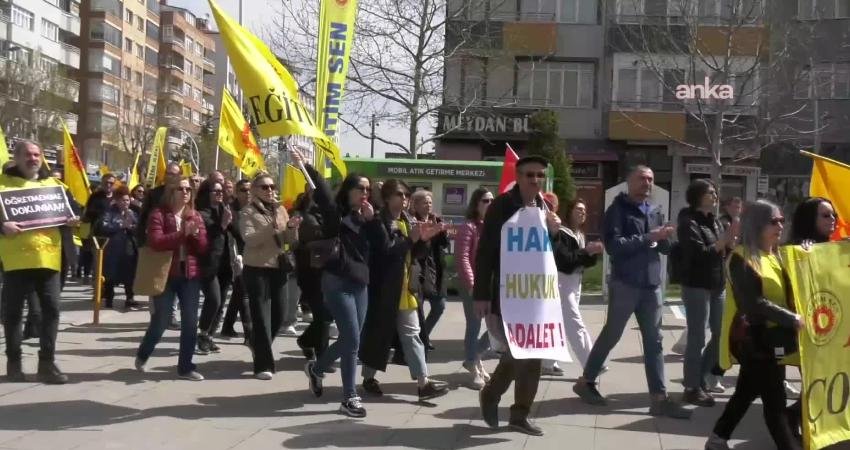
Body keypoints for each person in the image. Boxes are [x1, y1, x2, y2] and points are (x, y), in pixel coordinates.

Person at [573, 165, 691, 419]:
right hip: (625, 283)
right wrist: (650, 236)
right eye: (641, 179)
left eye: (650, 179)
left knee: (655, 342)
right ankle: (586, 382)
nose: (647, 183)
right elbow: (614, 247)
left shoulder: (655, 210)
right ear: (629, 182)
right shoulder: (617, 211)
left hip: (651, 285)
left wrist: (668, 239)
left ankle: (659, 398)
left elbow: (663, 247)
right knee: (612, 334)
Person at [474, 155, 564, 436]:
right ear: (519, 176)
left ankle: (520, 415)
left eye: (539, 175)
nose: (535, 180)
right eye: (529, 175)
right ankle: (491, 393)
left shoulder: (545, 206)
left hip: (537, 295)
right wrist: (482, 294)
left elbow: (552, 254)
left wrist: (554, 232)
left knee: (534, 354)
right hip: (507, 293)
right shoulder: (502, 205)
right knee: (517, 352)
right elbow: (486, 251)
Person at [705, 200, 803, 450]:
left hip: (774, 338)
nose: (780, 225)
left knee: (747, 391)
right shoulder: (742, 258)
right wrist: (791, 319)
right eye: (773, 221)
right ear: (757, 224)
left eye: (782, 220)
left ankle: (718, 437)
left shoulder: (776, 255)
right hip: (755, 340)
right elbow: (753, 303)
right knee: (775, 402)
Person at [300, 148, 385, 418]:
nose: (364, 194)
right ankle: (349, 397)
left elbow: (383, 245)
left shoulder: (370, 217)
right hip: (337, 283)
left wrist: (373, 220)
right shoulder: (336, 215)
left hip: (361, 285)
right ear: (348, 190)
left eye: (368, 190)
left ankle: (316, 368)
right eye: (360, 188)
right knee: (352, 339)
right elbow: (323, 193)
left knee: (352, 341)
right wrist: (307, 166)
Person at [359, 179, 449, 402]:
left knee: (412, 335)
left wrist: (424, 240)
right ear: (388, 197)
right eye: (400, 195)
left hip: (407, 289)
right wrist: (412, 239)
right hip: (384, 291)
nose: (404, 199)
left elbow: (415, 255)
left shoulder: (408, 220)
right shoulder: (378, 221)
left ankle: (423, 383)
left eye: (406, 195)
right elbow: (386, 253)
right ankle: (368, 378)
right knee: (379, 335)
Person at [1, 141, 80, 384]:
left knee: (52, 311)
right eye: (27, 154)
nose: (33, 158)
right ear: (16, 158)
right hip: (15, 260)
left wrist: (74, 219)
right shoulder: (3, 185)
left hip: (48, 259)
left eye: (37, 154)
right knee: (13, 314)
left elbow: (76, 211)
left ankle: (47, 363)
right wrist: (2, 226)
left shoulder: (55, 186)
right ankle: (14, 363)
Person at [135, 177, 208, 381]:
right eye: (180, 189)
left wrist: (195, 236)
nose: (185, 192)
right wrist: (182, 234)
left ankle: (186, 367)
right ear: (170, 192)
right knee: (161, 320)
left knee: (191, 322)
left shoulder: (195, 216)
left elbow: (202, 247)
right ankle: (143, 353)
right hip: (166, 275)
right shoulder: (158, 214)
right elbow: (156, 242)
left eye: (188, 189)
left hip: (190, 276)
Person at [676, 179, 735, 407]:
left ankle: (698, 378)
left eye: (716, 192)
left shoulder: (716, 222)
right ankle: (692, 388)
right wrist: (722, 243)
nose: (715, 196)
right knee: (697, 337)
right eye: (710, 192)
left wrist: (730, 243)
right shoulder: (688, 222)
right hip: (696, 286)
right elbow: (698, 253)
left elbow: (721, 252)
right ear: (698, 196)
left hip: (717, 285)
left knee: (721, 335)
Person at [240, 173, 300, 380]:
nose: (270, 190)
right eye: (264, 187)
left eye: (272, 186)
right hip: (256, 268)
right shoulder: (247, 212)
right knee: (261, 318)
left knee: (280, 314)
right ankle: (263, 365)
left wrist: (291, 229)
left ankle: (257, 343)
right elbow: (249, 239)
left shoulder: (281, 209)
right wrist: (270, 227)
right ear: (255, 190)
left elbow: (289, 242)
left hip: (278, 267)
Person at [541, 194, 604, 377]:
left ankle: (547, 362)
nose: (582, 213)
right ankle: (592, 364)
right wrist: (587, 252)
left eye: (584, 211)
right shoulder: (562, 232)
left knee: (557, 324)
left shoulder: (580, 235)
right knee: (575, 324)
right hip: (562, 282)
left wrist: (591, 253)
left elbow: (584, 263)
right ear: (569, 212)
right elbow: (566, 261)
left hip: (576, 282)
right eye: (578, 210)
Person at [455, 187, 494, 389]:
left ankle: (474, 357)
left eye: (492, 201)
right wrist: (471, 285)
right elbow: (462, 258)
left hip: (491, 284)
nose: (490, 204)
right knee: (474, 324)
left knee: (498, 325)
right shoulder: (468, 227)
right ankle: (473, 365)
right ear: (476, 204)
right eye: (485, 201)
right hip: (473, 285)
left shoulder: (493, 226)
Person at [137, 162, 183, 329]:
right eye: (168, 173)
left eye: (174, 174)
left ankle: (171, 315)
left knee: (175, 280)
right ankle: (156, 315)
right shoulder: (154, 194)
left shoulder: (184, 192)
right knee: (156, 282)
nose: (171, 177)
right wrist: (142, 241)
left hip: (178, 244)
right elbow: (143, 218)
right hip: (158, 243)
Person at [195, 179, 235, 355]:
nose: (220, 194)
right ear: (206, 194)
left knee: (220, 304)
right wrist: (223, 225)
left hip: (225, 263)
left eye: (221, 191)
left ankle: (209, 336)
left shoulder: (223, 209)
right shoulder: (200, 213)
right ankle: (202, 334)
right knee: (214, 299)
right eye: (215, 191)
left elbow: (236, 232)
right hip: (208, 264)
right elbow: (207, 236)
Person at [293, 188, 331, 361]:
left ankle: (307, 341)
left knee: (326, 314)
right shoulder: (303, 215)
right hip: (309, 271)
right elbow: (310, 237)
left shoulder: (327, 214)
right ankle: (322, 354)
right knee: (323, 314)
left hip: (327, 271)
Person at [410, 189, 450, 351]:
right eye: (425, 202)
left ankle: (422, 336)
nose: (428, 205)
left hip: (436, 270)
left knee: (439, 306)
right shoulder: (413, 221)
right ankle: (420, 341)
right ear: (416, 205)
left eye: (430, 202)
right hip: (419, 269)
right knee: (417, 310)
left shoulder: (436, 219)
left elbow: (444, 244)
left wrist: (443, 232)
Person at [95, 185, 140, 310]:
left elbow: (138, 228)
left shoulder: (133, 212)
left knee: (130, 273)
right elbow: (103, 227)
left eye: (127, 200)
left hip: (129, 247)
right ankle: (109, 297)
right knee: (110, 274)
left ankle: (130, 297)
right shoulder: (109, 212)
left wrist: (132, 227)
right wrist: (121, 225)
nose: (125, 203)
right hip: (113, 248)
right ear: (117, 200)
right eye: (122, 200)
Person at [220, 179, 253, 342]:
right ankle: (249, 334)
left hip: (252, 256)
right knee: (244, 294)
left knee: (239, 293)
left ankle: (227, 326)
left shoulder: (255, 209)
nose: (247, 193)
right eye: (243, 190)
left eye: (249, 190)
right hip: (236, 258)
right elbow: (238, 234)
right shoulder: (231, 211)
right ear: (236, 192)